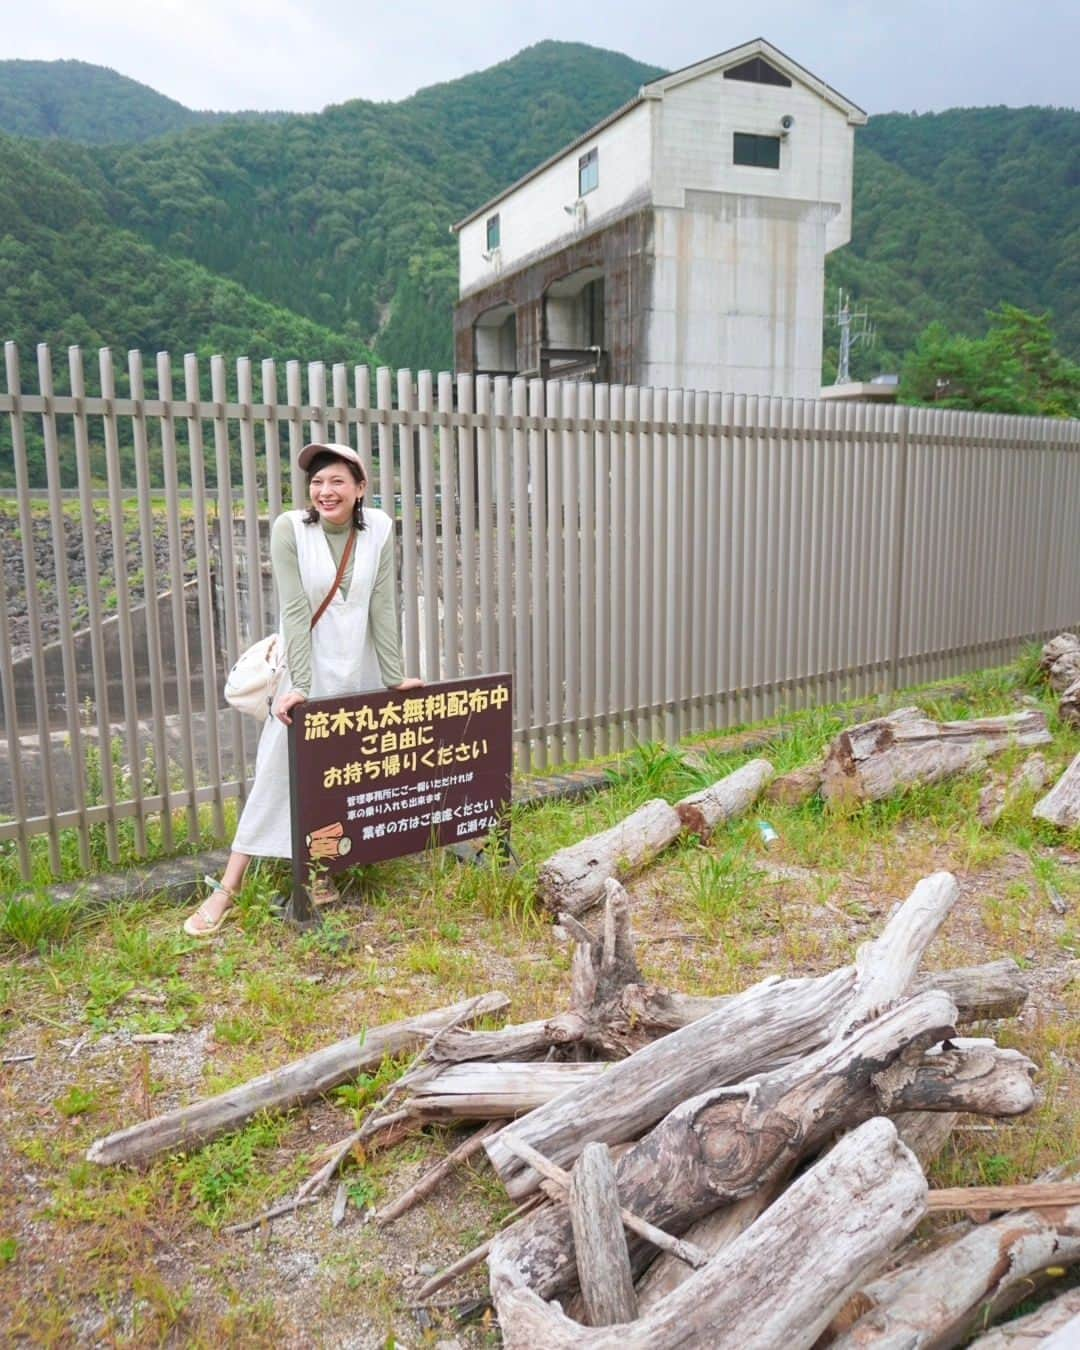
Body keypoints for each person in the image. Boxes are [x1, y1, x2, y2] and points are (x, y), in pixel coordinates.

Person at [184, 443, 421, 936]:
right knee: (278, 771)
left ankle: (320, 873)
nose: (324, 491)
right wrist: (302, 687)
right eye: (317, 482)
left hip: (360, 670)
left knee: (342, 775)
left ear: (360, 488)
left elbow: (381, 605)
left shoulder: (379, 527)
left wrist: (395, 677)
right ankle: (227, 889)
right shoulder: (292, 529)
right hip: (305, 673)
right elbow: (294, 610)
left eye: (336, 481)